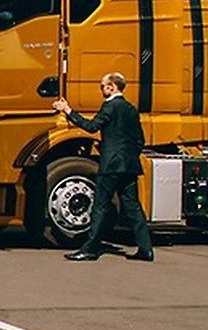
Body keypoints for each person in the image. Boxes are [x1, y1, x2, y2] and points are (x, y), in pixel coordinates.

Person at [55, 72, 153, 262]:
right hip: (129, 165)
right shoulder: (131, 109)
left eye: (103, 86)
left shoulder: (110, 107)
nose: (101, 89)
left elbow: (91, 127)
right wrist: (127, 155)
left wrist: (68, 110)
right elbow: (139, 139)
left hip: (110, 166)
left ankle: (90, 249)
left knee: (100, 206)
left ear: (112, 87)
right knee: (133, 207)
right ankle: (146, 248)